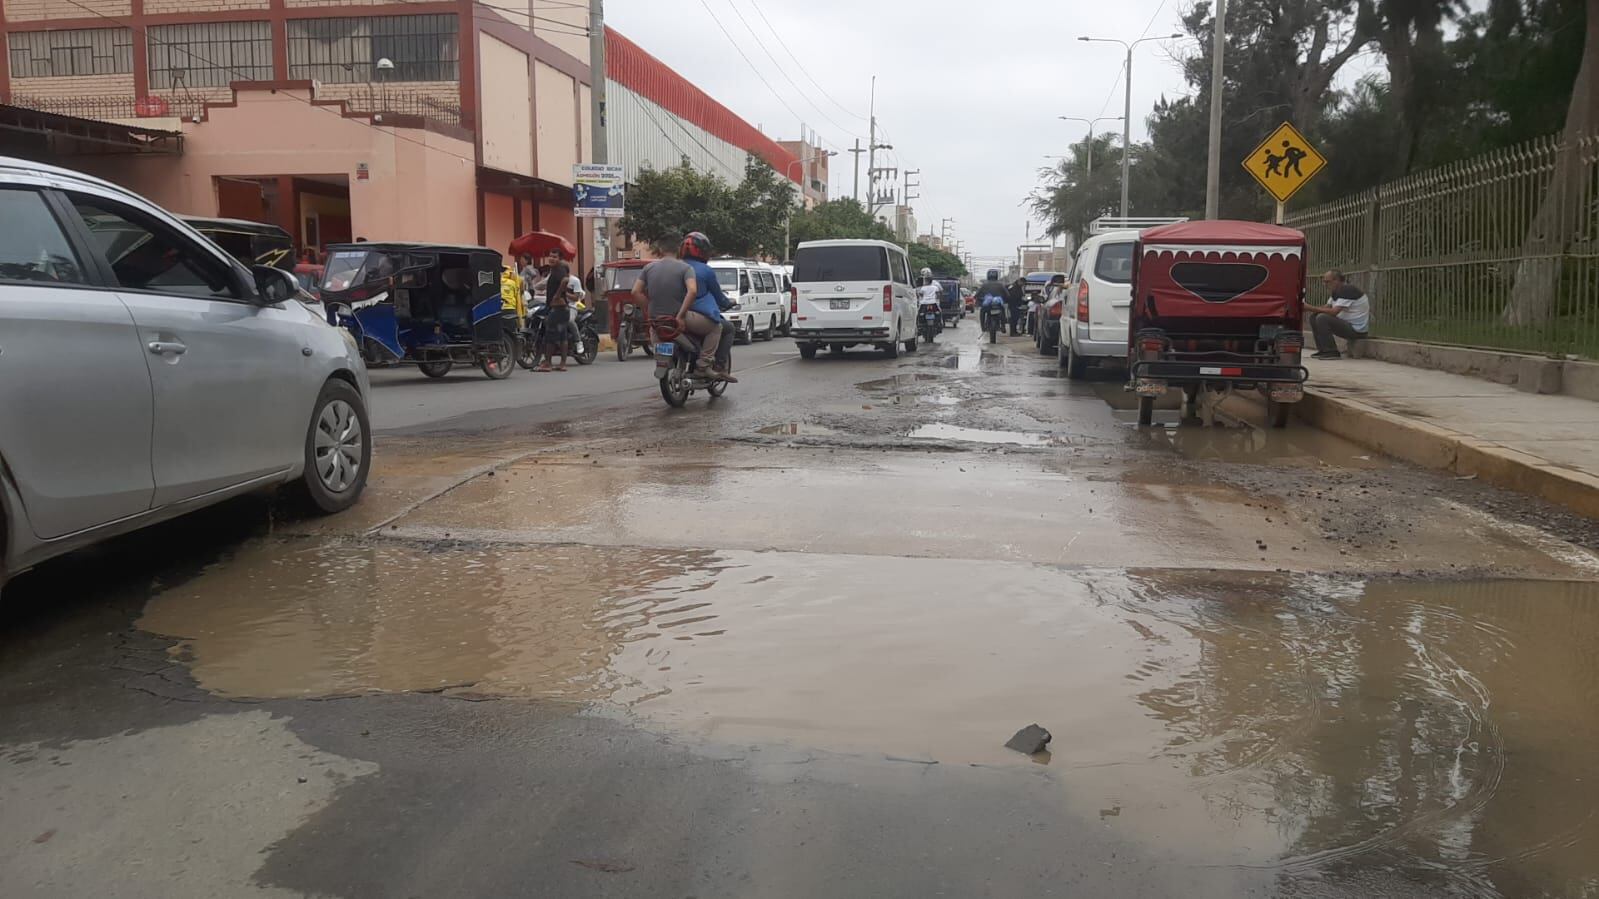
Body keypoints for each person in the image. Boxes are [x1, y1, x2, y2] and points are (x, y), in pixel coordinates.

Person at [677, 231, 738, 381]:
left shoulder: (675, 266)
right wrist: (728, 302)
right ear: (703, 251)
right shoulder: (705, 271)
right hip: (695, 318)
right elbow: (720, 298)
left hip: (670, 314)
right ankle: (716, 366)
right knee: (727, 328)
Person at [1304, 269, 1371, 359]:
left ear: (1337, 281)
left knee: (1322, 318)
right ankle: (1323, 350)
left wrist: (1310, 307)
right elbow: (1327, 307)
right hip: (1346, 325)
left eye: (1327, 282)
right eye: (1324, 282)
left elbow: (1334, 312)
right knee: (1314, 317)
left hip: (1356, 330)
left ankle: (1331, 351)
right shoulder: (1336, 292)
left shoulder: (1347, 290)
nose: (1325, 285)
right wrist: (1309, 309)